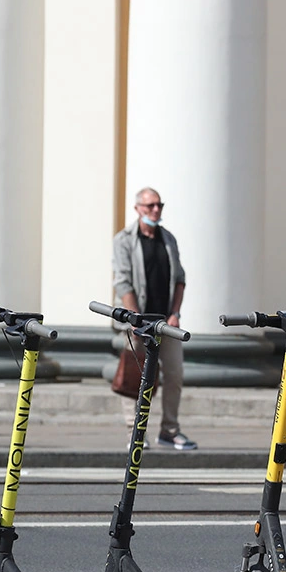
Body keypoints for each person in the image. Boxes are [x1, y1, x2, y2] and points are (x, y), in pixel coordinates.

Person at [112, 187, 196, 450]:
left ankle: (170, 430)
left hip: (165, 322)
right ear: (138, 208)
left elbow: (180, 279)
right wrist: (135, 319)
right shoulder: (124, 240)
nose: (156, 210)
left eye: (159, 205)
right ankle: (134, 432)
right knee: (133, 376)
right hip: (137, 322)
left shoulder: (167, 239)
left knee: (174, 374)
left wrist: (175, 313)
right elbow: (123, 282)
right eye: (150, 206)